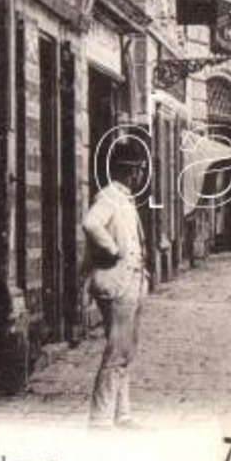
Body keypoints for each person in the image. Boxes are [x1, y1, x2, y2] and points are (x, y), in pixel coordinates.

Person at [82, 146, 150, 430]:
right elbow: (90, 223)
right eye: (138, 169)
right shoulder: (109, 197)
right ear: (130, 170)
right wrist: (112, 250)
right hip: (118, 282)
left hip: (131, 281)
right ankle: (100, 420)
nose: (140, 175)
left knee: (125, 350)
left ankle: (122, 415)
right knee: (116, 351)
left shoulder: (124, 198)